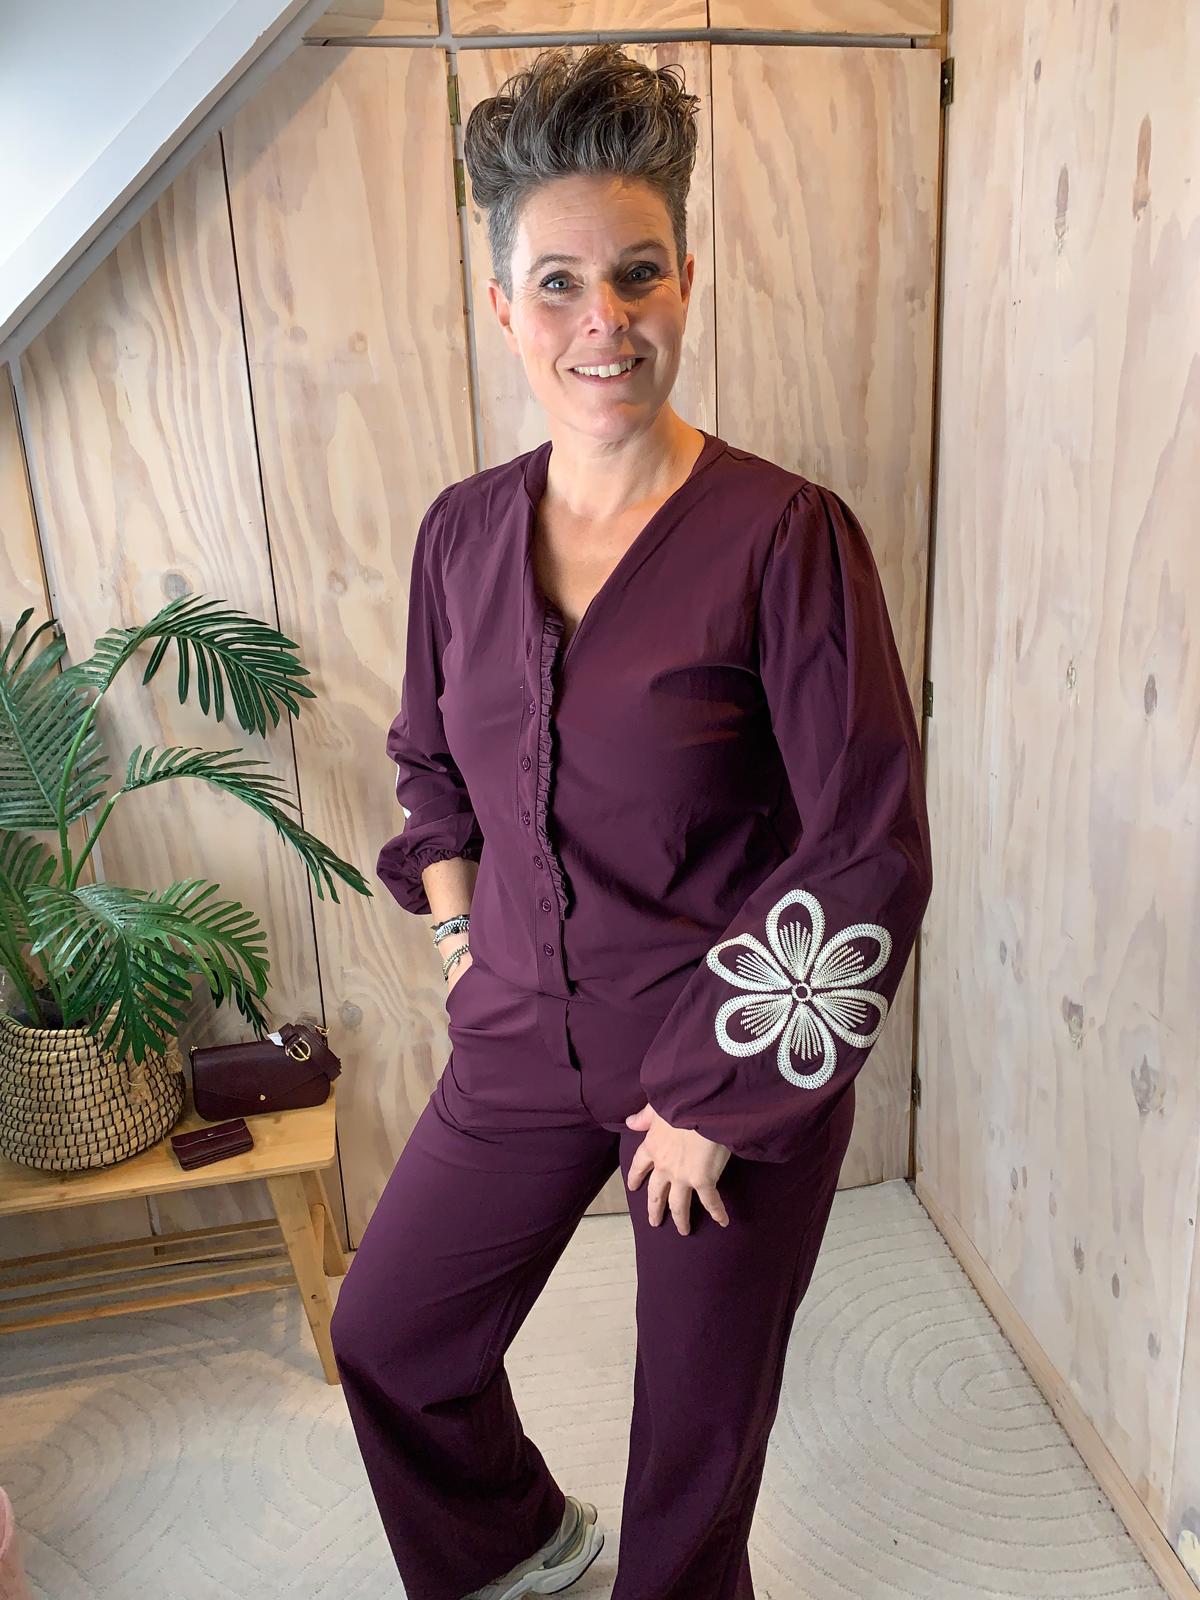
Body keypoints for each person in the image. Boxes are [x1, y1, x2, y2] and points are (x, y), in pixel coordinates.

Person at [330, 41, 934, 1600]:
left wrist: (728, 1096)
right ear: (502, 309)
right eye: (559, 284)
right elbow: (429, 765)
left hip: (719, 1053)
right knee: (390, 1338)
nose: (604, 319)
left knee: (691, 1454)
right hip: (517, 1033)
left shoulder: (788, 537)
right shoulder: (461, 535)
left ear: (684, 283)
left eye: (637, 274)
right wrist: (460, 944)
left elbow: (866, 847)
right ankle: (521, 1546)